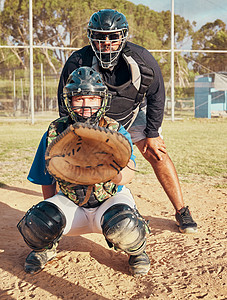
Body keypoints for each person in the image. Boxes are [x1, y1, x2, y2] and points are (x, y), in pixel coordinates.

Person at [57, 9, 197, 234]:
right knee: (66, 157)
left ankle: (182, 211)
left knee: (157, 152)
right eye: (100, 36)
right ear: (91, 36)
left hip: (131, 116)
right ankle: (62, 211)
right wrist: (71, 135)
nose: (106, 42)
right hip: (93, 122)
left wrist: (152, 134)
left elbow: (157, 96)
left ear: (123, 36)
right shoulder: (78, 60)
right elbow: (65, 101)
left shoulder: (142, 60)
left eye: (113, 36)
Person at [17, 67, 151, 277]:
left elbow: (129, 174)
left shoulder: (115, 130)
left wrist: (112, 170)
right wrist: (50, 219)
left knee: (124, 223)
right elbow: (46, 179)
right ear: (69, 101)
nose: (86, 106)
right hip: (72, 204)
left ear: (102, 100)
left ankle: (137, 251)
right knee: (40, 220)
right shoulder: (56, 131)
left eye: (92, 99)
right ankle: (45, 249)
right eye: (79, 99)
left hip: (109, 200)